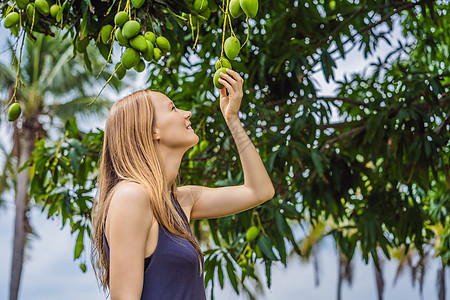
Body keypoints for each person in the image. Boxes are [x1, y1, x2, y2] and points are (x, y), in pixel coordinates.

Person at [90, 68, 275, 299]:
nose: (186, 113)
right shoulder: (131, 196)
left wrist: (233, 119)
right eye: (173, 108)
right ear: (152, 129)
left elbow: (259, 191)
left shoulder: (181, 200)